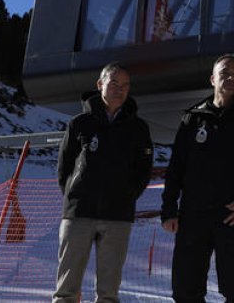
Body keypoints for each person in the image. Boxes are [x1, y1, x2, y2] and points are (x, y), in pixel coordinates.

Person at [161, 54, 234, 303]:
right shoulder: (192, 119)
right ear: (213, 79)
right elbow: (176, 167)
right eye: (224, 72)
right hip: (193, 215)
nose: (230, 76)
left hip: (232, 215)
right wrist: (169, 209)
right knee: (186, 289)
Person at [54, 62, 154, 303]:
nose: (119, 90)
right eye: (114, 83)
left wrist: (126, 195)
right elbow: (64, 168)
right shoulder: (79, 123)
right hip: (78, 214)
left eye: (125, 86)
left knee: (109, 293)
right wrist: (75, 195)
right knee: (66, 291)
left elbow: (143, 171)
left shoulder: (139, 128)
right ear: (100, 85)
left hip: (117, 217)